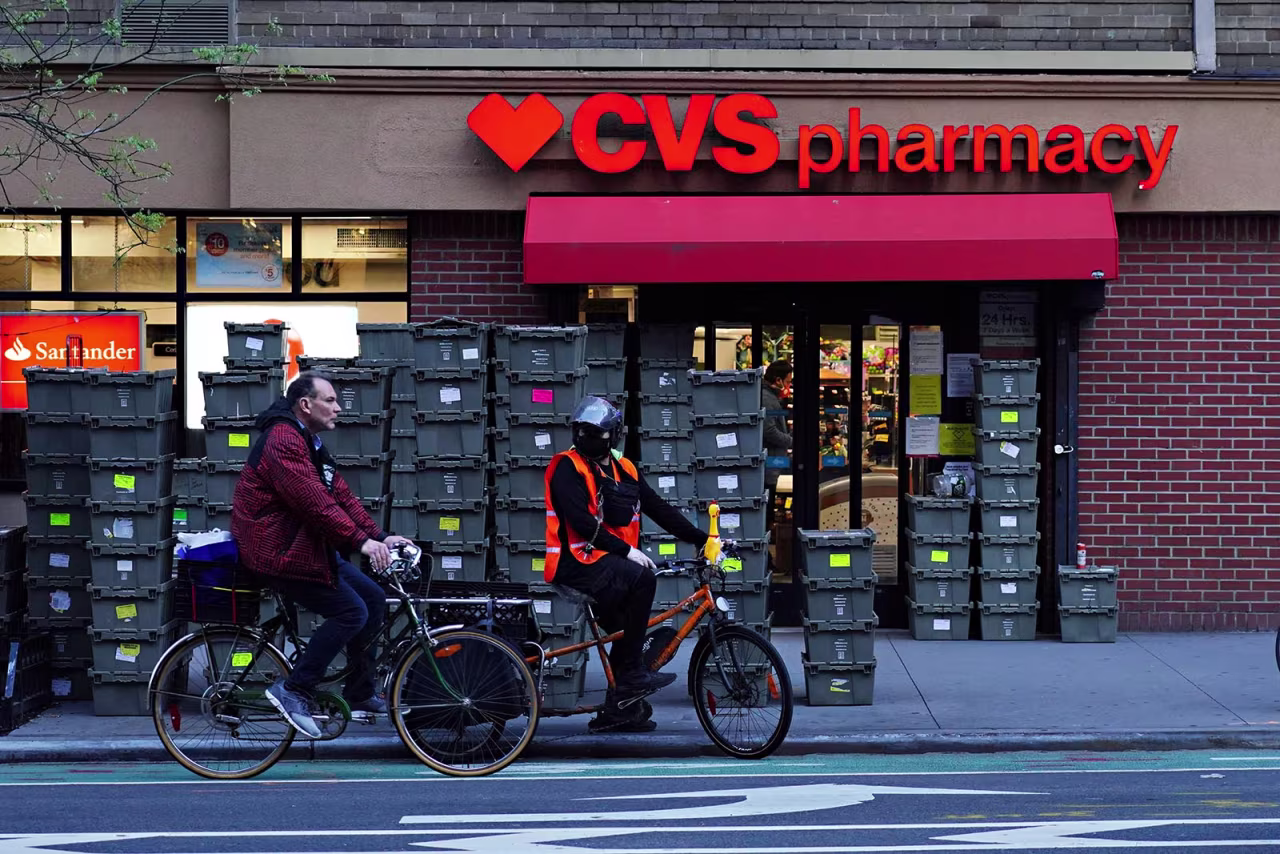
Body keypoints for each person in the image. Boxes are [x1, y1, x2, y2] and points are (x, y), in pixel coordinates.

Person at [231, 371, 414, 739]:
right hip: (276, 550)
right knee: (351, 611)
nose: (338, 407)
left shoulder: (309, 442)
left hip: (302, 546)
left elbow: (340, 497)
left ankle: (359, 691)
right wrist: (361, 544)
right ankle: (294, 688)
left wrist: (380, 535)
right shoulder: (283, 440)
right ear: (305, 404)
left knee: (374, 599)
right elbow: (315, 504)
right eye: (329, 400)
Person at [544, 396, 710, 733]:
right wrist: (626, 550)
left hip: (604, 560)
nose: (586, 438)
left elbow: (658, 508)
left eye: (594, 432)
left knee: (627, 630)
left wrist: (701, 539)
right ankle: (632, 676)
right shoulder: (565, 467)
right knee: (643, 580)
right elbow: (578, 521)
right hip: (575, 561)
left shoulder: (625, 469)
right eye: (583, 431)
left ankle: (619, 709)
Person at [762, 360, 793, 529]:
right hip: (768, 467)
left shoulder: (769, 397)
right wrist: (791, 440)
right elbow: (769, 431)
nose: (788, 386)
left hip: (771, 465)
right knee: (766, 515)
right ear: (778, 380)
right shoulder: (767, 399)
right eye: (788, 381)